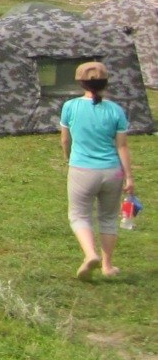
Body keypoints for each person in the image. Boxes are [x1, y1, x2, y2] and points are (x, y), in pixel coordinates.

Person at [60, 61, 136, 280]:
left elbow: (65, 140)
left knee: (79, 215)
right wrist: (129, 177)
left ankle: (90, 254)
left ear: (80, 82)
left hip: (82, 169)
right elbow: (122, 146)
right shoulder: (116, 110)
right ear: (106, 83)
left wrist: (68, 158)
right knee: (109, 218)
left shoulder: (70, 107)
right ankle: (107, 265)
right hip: (112, 171)